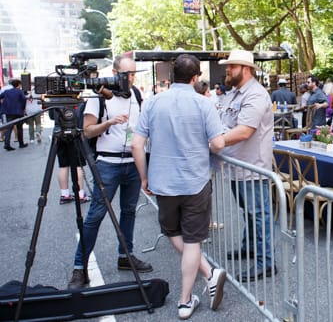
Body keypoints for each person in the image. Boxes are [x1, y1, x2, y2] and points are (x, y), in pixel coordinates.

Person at [131, 54, 226, 318]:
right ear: (196, 78)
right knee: (193, 239)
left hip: (162, 181)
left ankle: (209, 276)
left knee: (173, 231)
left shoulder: (152, 103)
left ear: (172, 76)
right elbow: (218, 144)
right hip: (195, 180)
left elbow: (136, 144)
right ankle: (187, 299)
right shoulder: (203, 104)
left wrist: (144, 177)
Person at [67, 55, 153, 290]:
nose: (131, 78)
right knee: (95, 215)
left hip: (133, 163)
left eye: (134, 73)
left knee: (129, 212)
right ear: (115, 73)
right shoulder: (98, 96)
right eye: (127, 74)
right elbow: (87, 131)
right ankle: (79, 267)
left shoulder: (136, 94)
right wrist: (109, 123)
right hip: (108, 164)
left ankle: (126, 256)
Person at [216, 49, 276, 282]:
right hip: (238, 165)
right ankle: (249, 247)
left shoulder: (256, 95)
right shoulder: (236, 93)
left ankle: (266, 262)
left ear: (246, 69)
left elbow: (244, 130)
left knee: (259, 214)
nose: (227, 70)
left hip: (252, 168)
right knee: (249, 212)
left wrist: (217, 141)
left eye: (232, 66)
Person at [0, 79, 26, 150]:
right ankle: (21, 143)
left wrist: (3, 104)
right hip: (18, 112)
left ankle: (7, 144)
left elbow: (0, 97)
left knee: (9, 128)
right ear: (19, 85)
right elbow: (24, 99)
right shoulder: (20, 92)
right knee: (19, 128)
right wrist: (23, 108)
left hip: (8, 112)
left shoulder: (6, 92)